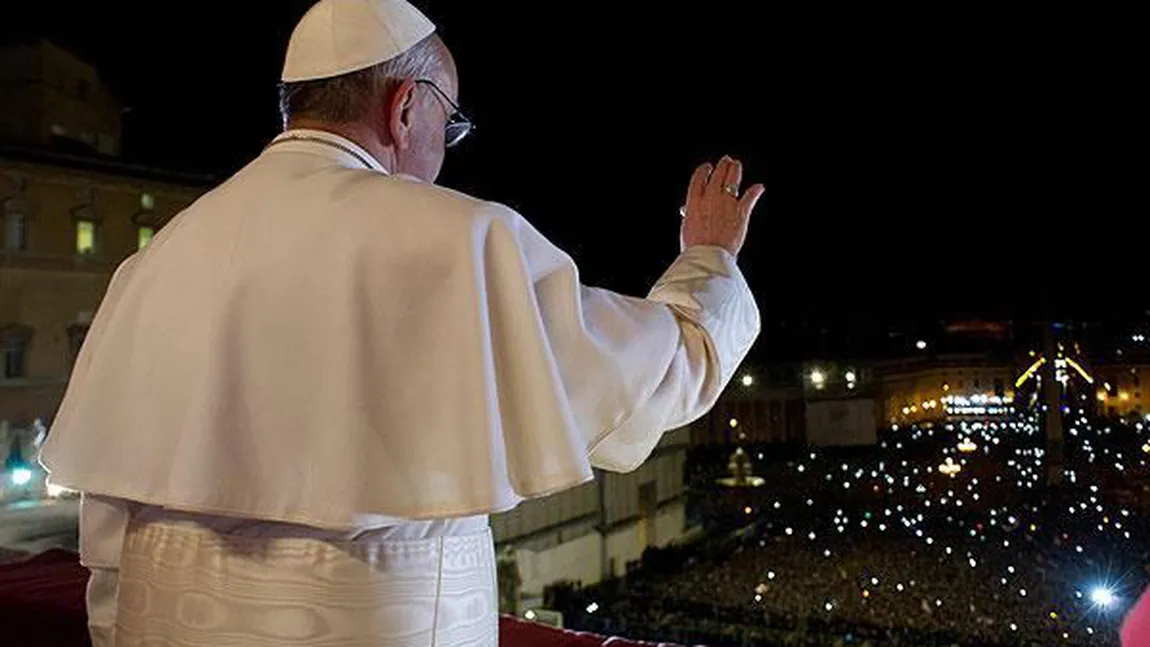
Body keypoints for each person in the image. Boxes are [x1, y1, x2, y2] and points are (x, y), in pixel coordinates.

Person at [39, 0, 764, 645]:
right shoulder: (463, 240)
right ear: (406, 106)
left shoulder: (160, 256)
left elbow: (109, 541)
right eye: (450, 122)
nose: (445, 146)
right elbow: (658, 372)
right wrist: (708, 258)